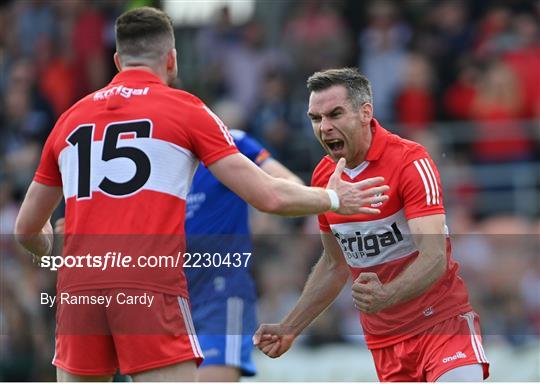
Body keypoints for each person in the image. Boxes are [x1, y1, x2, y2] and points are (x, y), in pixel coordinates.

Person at [13, 8, 389, 382]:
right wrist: (334, 198)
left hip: (81, 290)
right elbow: (270, 196)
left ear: (116, 60)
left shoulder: (69, 119)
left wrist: (48, 246)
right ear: (172, 60)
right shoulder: (187, 110)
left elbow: (27, 229)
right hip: (150, 284)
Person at [254, 68, 490, 382]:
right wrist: (290, 327)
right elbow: (334, 264)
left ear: (366, 113)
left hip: (443, 327)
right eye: (316, 118)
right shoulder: (324, 178)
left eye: (335, 114)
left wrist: (387, 295)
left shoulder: (410, 162)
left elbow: (433, 256)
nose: (325, 127)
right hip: (385, 345)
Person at [185, 129, 302, 381]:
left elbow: (290, 184)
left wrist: (265, 204)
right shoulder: (153, 151)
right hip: (162, 298)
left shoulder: (230, 140)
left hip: (218, 293)